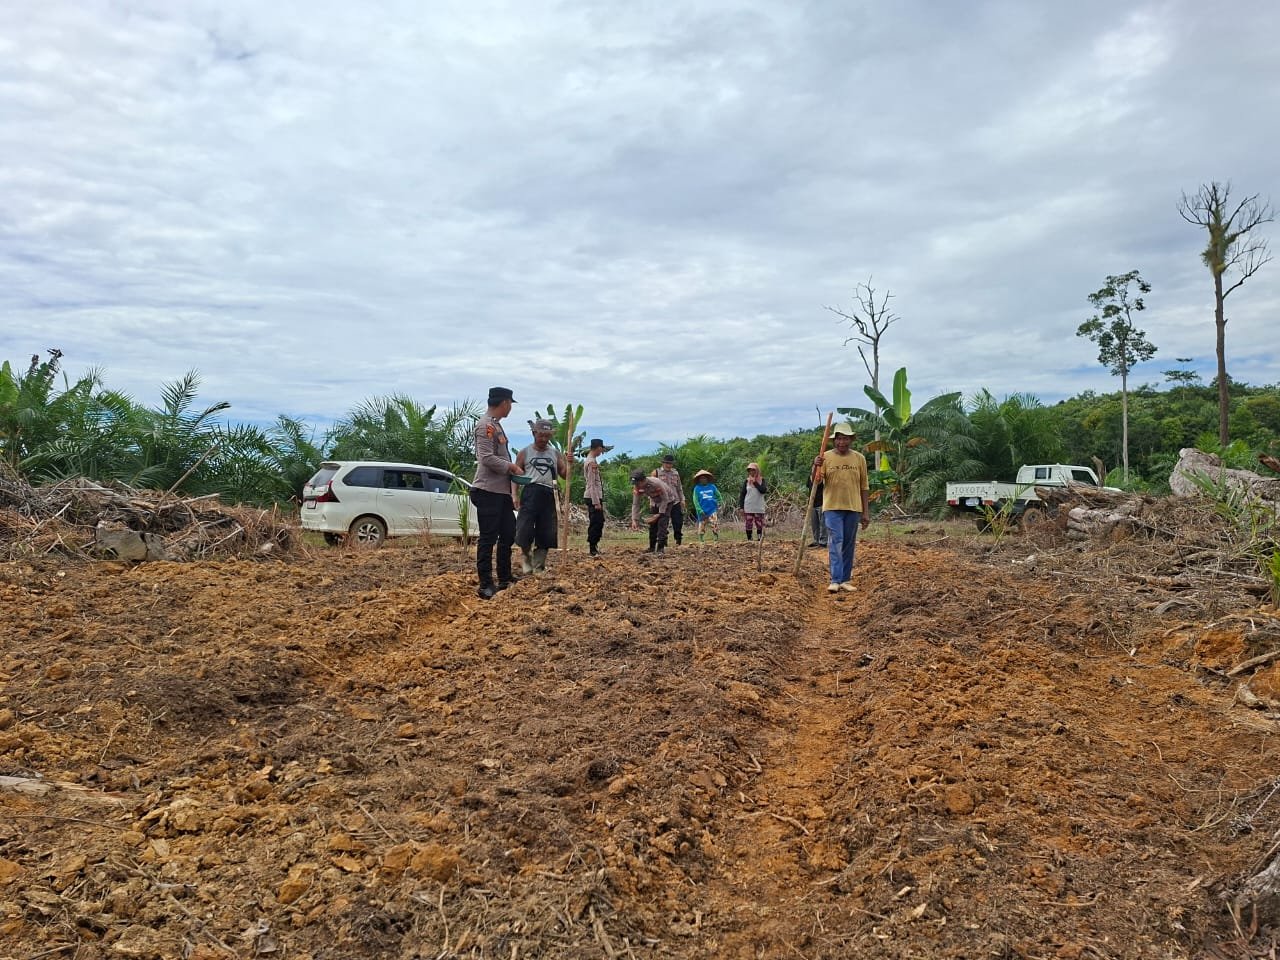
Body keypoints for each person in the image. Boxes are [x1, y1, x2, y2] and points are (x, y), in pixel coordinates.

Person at [471, 386, 522, 599]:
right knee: (488, 538)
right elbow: (486, 458)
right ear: (504, 403)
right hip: (487, 490)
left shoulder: (496, 425)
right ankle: (485, 584)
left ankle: (504, 577)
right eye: (510, 404)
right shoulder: (485, 426)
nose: (510, 408)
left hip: (501, 492)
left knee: (508, 533)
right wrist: (511, 467)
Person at [812, 422, 871, 594]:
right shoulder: (825, 457)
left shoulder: (859, 458)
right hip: (832, 507)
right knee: (836, 541)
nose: (841, 442)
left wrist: (865, 512)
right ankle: (835, 580)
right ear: (834, 440)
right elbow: (816, 481)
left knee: (848, 544)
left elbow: (864, 486)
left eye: (845, 439)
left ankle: (845, 580)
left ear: (851, 440)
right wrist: (815, 465)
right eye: (838, 439)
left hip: (853, 507)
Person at [514, 419, 568, 574]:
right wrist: (514, 495)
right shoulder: (524, 453)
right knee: (524, 528)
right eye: (541, 435)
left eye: (547, 436)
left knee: (547, 531)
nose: (544, 439)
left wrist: (570, 463)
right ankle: (526, 557)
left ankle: (539, 565)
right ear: (534, 433)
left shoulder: (555, 454)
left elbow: (564, 474)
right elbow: (515, 476)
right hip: (530, 492)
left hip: (549, 493)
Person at [630, 468, 677, 553]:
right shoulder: (637, 487)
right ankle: (651, 547)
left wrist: (659, 514)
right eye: (635, 484)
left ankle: (660, 548)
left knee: (662, 523)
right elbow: (635, 504)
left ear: (643, 480)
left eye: (638, 483)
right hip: (655, 501)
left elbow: (665, 499)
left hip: (667, 501)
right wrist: (634, 520)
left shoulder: (656, 483)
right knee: (652, 525)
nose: (636, 485)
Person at [583, 438, 613, 556]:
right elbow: (592, 483)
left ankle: (594, 546)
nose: (602, 452)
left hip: (593, 495)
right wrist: (596, 502)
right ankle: (592, 548)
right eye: (601, 449)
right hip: (592, 496)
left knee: (598, 521)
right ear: (599, 448)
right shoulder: (591, 462)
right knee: (596, 522)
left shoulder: (591, 460)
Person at [652, 453, 686, 545]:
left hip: (675, 501)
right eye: (667, 463)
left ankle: (678, 539)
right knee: (663, 523)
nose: (668, 465)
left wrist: (682, 499)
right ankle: (664, 541)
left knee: (678, 522)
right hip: (662, 502)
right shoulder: (656, 473)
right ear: (663, 463)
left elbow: (679, 488)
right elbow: (651, 488)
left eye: (670, 463)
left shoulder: (675, 473)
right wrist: (652, 502)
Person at [738, 462, 768, 540]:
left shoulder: (762, 480)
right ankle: (749, 539)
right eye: (750, 470)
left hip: (758, 507)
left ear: (757, 470)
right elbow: (742, 494)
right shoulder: (747, 481)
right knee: (748, 523)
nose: (751, 472)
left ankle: (759, 539)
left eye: (753, 470)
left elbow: (763, 490)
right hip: (748, 506)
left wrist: (755, 482)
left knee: (759, 524)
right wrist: (741, 507)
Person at [690, 469, 722, 541]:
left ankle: (716, 537)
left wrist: (718, 502)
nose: (703, 479)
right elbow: (695, 500)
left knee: (714, 523)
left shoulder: (712, 486)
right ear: (699, 480)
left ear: (707, 479)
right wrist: (699, 510)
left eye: (704, 478)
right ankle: (701, 539)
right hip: (702, 510)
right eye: (701, 478)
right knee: (702, 524)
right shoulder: (697, 488)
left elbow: (719, 496)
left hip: (712, 509)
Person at [807, 477, 828, 547]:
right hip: (812, 504)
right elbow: (809, 489)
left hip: (821, 503)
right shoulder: (810, 477)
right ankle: (816, 540)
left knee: (823, 523)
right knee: (814, 524)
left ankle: (823, 541)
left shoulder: (822, 477)